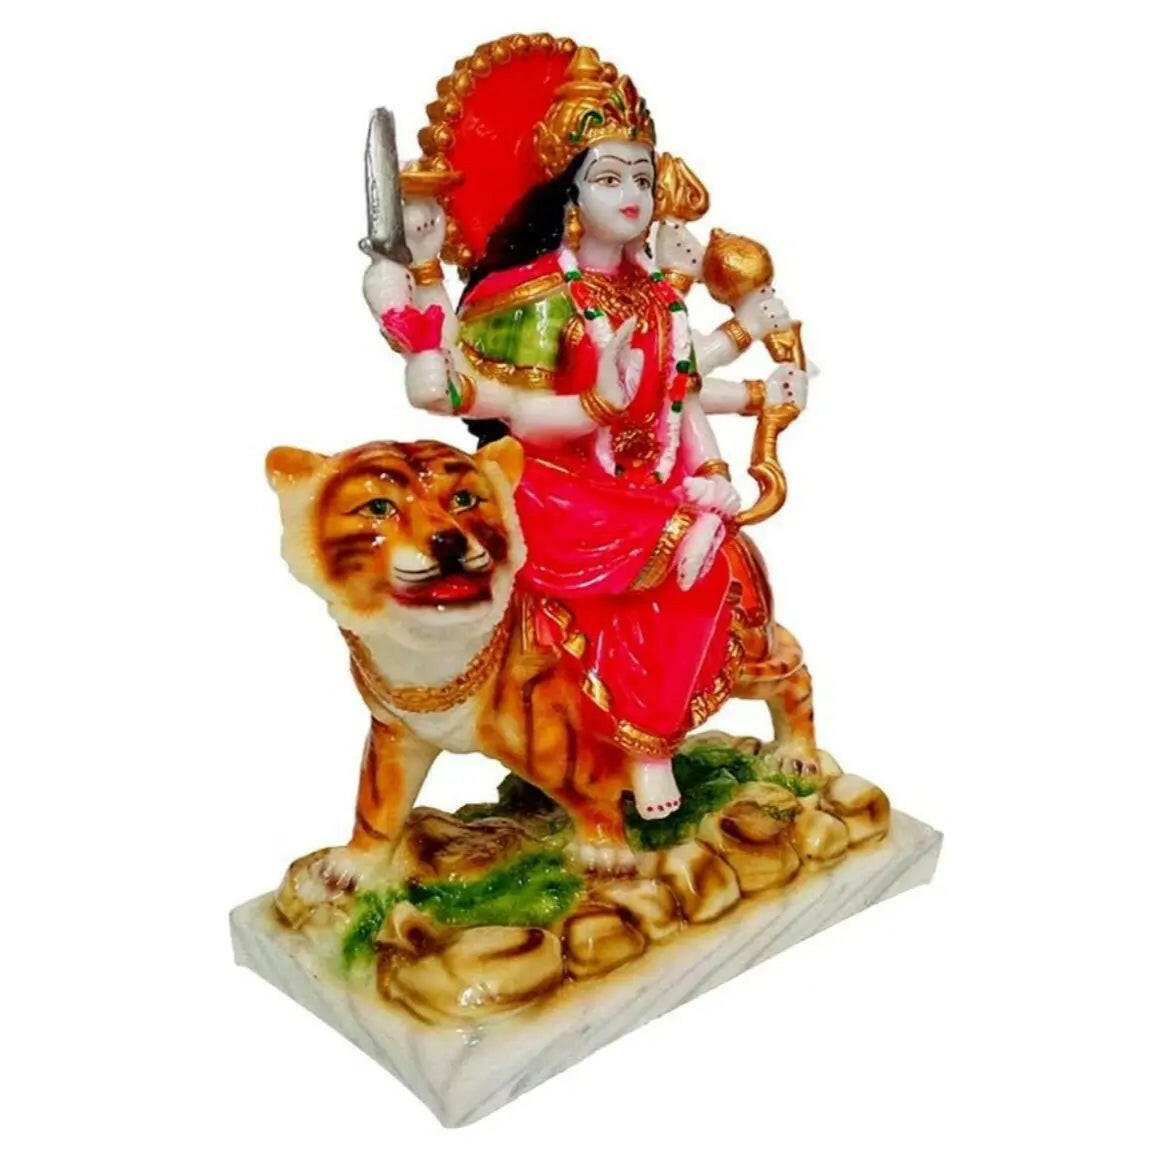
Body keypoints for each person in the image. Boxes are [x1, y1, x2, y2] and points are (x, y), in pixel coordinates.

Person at [363, 43, 807, 817]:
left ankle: (653, 736)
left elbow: (677, 396)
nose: (632, 194)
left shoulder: (657, 296)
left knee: (715, 563)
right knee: (672, 550)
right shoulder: (536, 294)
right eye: (609, 178)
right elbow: (505, 408)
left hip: (647, 483)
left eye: (642, 177)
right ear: (569, 191)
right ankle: (645, 748)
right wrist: (595, 407)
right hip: (553, 484)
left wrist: (727, 448)